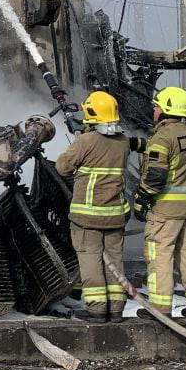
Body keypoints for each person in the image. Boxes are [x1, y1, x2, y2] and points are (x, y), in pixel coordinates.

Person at [133, 85, 186, 321]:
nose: (154, 110)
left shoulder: (163, 137)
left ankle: (160, 309)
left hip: (164, 210)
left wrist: (141, 199)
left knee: (159, 257)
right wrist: (136, 143)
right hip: (185, 209)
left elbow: (156, 175)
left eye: (157, 106)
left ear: (166, 109)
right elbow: (173, 153)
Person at [56, 90, 130, 323]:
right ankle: (116, 309)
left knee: (91, 261)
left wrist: (80, 139)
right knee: (114, 261)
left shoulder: (85, 141)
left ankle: (97, 309)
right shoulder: (123, 142)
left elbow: (62, 167)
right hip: (115, 215)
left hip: (87, 218)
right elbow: (103, 147)